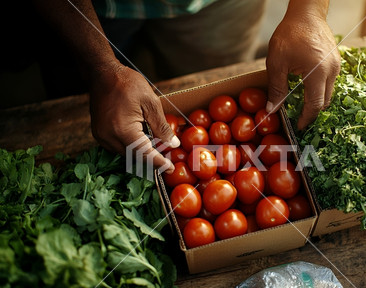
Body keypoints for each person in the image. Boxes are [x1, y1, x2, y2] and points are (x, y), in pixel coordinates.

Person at [31, 0, 340, 174]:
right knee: (80, 96)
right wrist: (100, 66)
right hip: (90, 10)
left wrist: (309, 10)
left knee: (209, 69)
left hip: (220, 7)